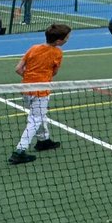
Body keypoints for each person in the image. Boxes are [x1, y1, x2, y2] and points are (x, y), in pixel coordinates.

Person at [9, 22, 72, 164]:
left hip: (26, 89)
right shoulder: (57, 53)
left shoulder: (33, 48)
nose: (67, 40)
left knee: (39, 115)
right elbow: (54, 72)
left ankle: (43, 141)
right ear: (58, 41)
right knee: (35, 119)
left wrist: (31, 78)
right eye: (66, 38)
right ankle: (20, 151)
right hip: (41, 91)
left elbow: (18, 69)